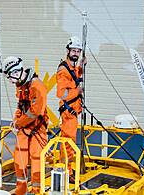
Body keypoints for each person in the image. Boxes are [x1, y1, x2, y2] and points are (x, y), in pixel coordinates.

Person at [3, 56, 48, 195]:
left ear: (17, 72)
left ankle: (37, 191)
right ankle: (21, 191)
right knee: (19, 159)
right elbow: (21, 106)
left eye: (11, 77)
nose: (10, 81)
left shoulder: (36, 86)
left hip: (37, 128)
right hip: (24, 127)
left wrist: (19, 122)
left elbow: (36, 111)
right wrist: (16, 119)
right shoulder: (21, 85)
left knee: (36, 158)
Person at [56, 36, 86, 178]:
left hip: (73, 110)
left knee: (68, 142)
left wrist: (81, 67)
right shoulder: (63, 70)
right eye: (73, 50)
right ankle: (66, 172)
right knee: (68, 143)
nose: (75, 53)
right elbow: (62, 93)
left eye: (78, 51)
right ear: (68, 51)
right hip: (69, 111)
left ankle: (66, 169)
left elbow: (74, 77)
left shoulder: (72, 67)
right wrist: (77, 92)